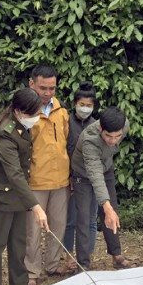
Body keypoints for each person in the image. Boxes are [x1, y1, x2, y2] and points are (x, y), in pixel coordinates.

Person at [0, 88, 50, 285]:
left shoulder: (20, 126)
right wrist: (36, 206)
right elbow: (15, 174)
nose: (36, 118)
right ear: (19, 111)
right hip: (0, 195)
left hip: (17, 197)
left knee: (18, 242)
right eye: (33, 114)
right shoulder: (5, 132)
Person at [25, 65, 72, 285]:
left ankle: (53, 265)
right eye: (43, 87)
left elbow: (67, 140)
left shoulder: (61, 111)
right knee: (33, 229)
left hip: (61, 179)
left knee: (58, 225)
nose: (47, 92)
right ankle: (31, 270)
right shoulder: (24, 112)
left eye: (52, 88)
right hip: (35, 180)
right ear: (31, 84)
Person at [70, 107, 132, 269]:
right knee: (83, 217)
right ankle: (83, 264)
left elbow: (102, 169)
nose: (113, 141)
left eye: (117, 136)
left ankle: (116, 254)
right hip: (83, 174)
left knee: (112, 212)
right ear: (100, 129)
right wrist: (105, 205)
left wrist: (109, 208)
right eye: (108, 136)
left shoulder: (124, 125)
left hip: (106, 168)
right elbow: (95, 174)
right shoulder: (89, 139)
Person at [62, 82, 99, 270]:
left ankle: (86, 255)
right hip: (71, 177)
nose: (85, 108)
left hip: (91, 179)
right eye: (82, 104)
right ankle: (69, 256)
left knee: (91, 219)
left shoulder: (97, 126)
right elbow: (62, 150)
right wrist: (67, 175)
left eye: (89, 105)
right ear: (75, 103)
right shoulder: (66, 122)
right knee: (71, 219)